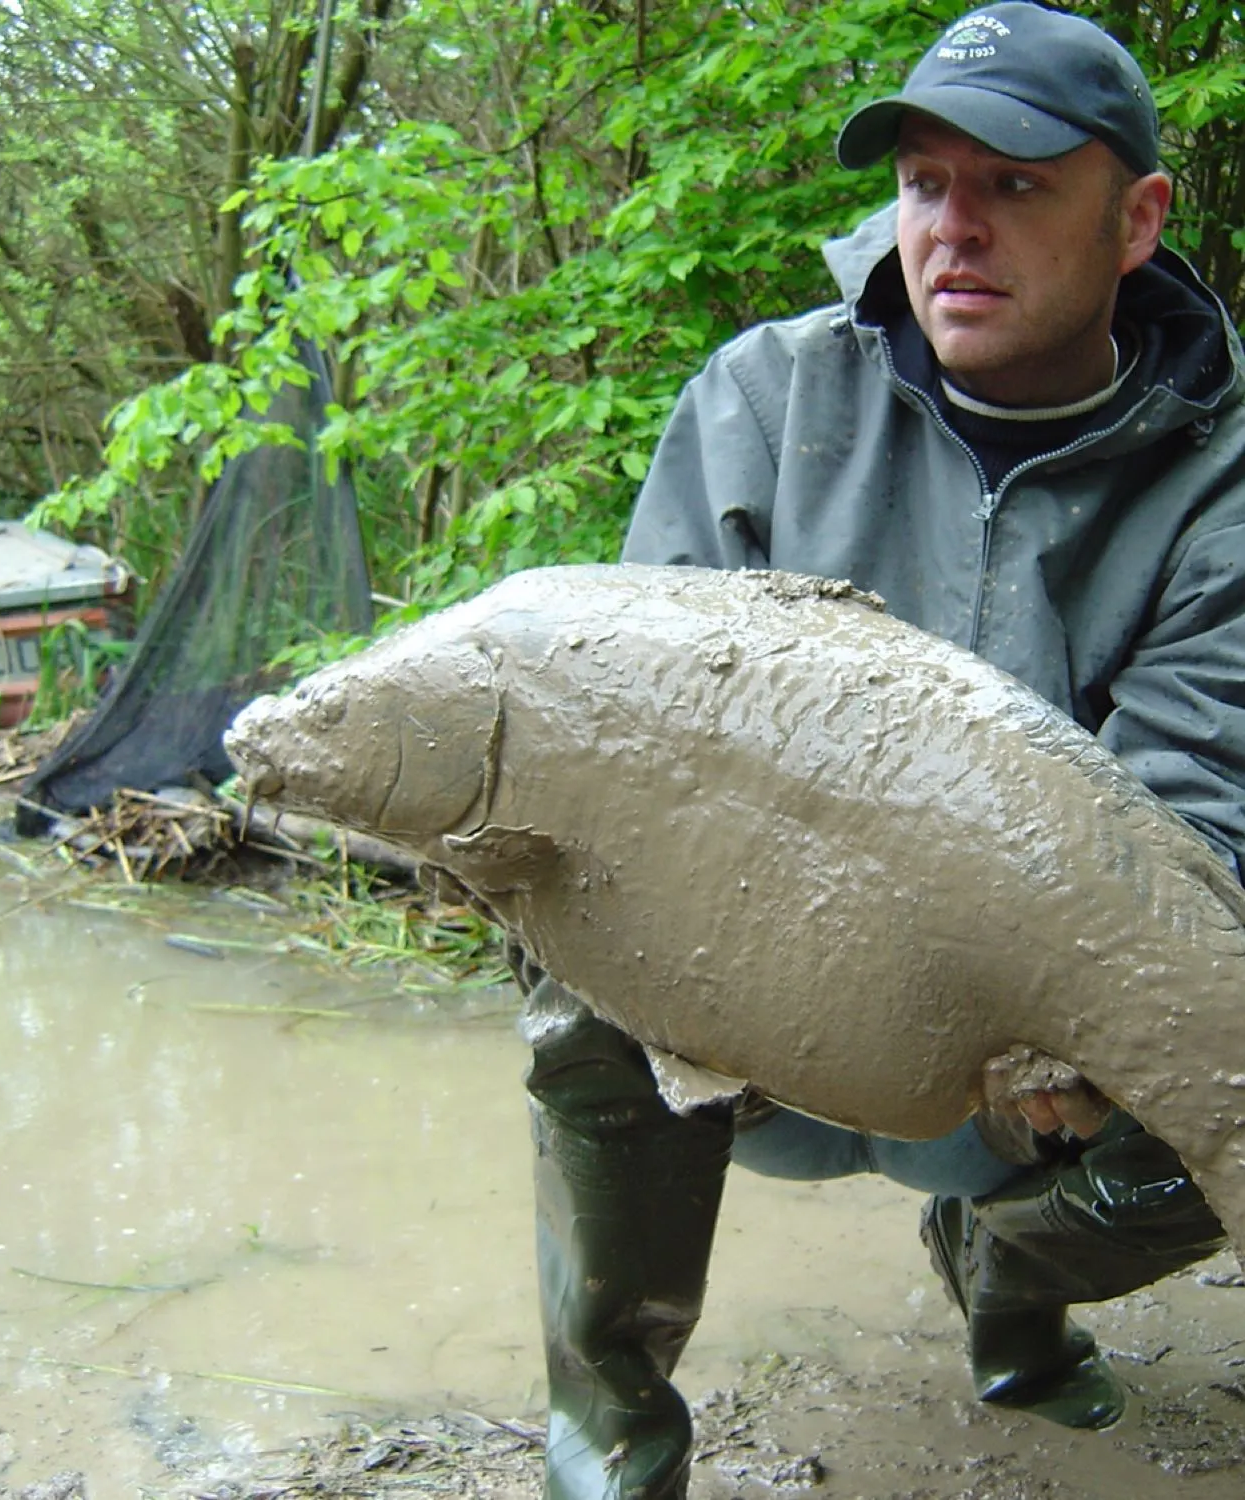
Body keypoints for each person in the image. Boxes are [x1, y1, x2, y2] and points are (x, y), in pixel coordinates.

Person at [521, 5, 1245, 1496]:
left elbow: (1192, 811)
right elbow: (644, 748)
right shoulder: (762, 400)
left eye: (1018, 187)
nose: (952, 232)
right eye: (926, 184)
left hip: (1034, 1048)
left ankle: (1008, 1279)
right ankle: (610, 1436)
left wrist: (1054, 1021)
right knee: (572, 965)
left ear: (1139, 219)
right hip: (767, 992)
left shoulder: (1223, 479)